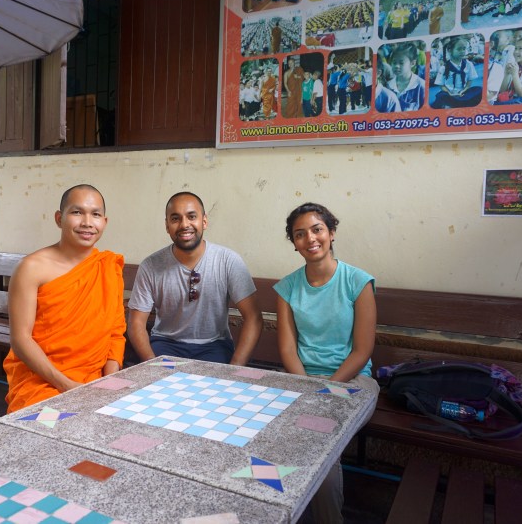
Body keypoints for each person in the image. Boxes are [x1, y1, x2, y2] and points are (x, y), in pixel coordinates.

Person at [274, 202, 379, 524]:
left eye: (317, 229)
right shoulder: (287, 288)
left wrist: (326, 389)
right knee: (266, 434)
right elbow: (288, 349)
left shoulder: (357, 282)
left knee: (319, 443)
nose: (310, 238)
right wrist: (308, 387)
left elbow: (362, 350)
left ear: (331, 233)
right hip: (300, 379)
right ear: (294, 243)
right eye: (300, 234)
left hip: (352, 381)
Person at [3, 185, 125, 413]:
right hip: (42, 380)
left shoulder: (108, 267)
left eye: (95, 214)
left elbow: (115, 333)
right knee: (44, 435)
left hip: (95, 378)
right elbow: (21, 340)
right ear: (59, 219)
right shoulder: (32, 268)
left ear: (104, 222)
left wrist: (108, 384)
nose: (87, 222)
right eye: (77, 212)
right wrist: (67, 386)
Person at [127, 192, 262, 365]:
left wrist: (234, 369)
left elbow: (254, 317)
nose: (184, 225)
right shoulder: (151, 266)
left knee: (214, 389)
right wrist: (151, 363)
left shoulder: (228, 261)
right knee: (161, 387)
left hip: (214, 347)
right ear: (167, 225)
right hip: (166, 345)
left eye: (192, 216)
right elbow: (136, 323)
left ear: (204, 221)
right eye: (175, 219)